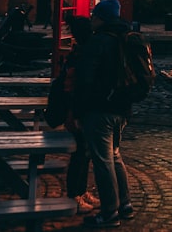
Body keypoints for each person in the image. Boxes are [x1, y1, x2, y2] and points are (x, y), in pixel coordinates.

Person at [73, 0, 135, 227]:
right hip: (122, 108)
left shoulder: (97, 41)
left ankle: (109, 213)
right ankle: (125, 204)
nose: (91, 19)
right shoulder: (125, 37)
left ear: (101, 18)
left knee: (103, 160)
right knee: (115, 156)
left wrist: (78, 112)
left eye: (94, 15)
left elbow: (85, 81)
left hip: (100, 109)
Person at [63, 16, 100, 214]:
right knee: (80, 152)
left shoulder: (79, 50)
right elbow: (75, 87)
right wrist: (74, 113)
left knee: (84, 152)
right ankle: (74, 194)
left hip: (81, 108)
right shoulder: (83, 53)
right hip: (78, 110)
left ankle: (82, 191)